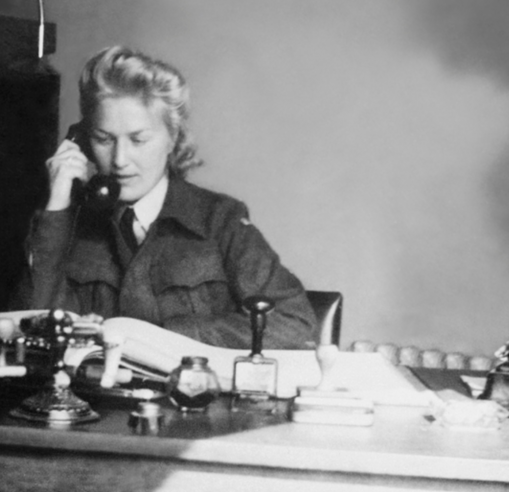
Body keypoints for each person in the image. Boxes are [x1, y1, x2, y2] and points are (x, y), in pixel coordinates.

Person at [24, 45, 316, 349]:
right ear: (82, 140)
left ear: (172, 138)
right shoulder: (68, 223)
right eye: (103, 139)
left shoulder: (220, 219)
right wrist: (57, 206)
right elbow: (28, 326)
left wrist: (162, 337)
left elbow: (296, 323)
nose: (120, 159)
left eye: (138, 139)